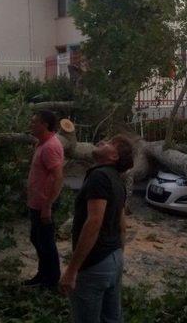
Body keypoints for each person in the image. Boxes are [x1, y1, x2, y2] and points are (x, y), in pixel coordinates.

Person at [59, 135, 134, 323]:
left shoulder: (99, 176)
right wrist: (117, 256)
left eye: (109, 143)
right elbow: (121, 225)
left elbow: (94, 222)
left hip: (95, 264)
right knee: (112, 318)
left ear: (114, 157)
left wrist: (72, 270)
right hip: (113, 258)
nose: (102, 142)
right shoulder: (117, 180)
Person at [24, 110, 64, 288]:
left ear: (45, 125)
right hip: (36, 202)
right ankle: (43, 274)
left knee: (46, 242)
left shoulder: (50, 146)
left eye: (34, 122)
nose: (30, 125)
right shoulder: (41, 143)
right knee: (37, 239)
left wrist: (47, 205)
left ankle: (51, 280)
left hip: (43, 204)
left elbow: (58, 177)